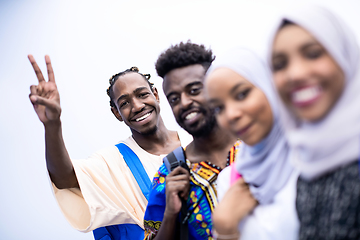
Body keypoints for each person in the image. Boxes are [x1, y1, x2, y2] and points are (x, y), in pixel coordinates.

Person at [28, 56, 192, 240]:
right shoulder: (113, 161)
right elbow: (65, 178)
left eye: (142, 94)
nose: (137, 106)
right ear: (116, 113)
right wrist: (52, 124)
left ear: (155, 94)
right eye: (124, 103)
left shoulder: (194, 141)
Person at [270, 5, 360, 239]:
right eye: (280, 65)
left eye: (313, 53)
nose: (295, 74)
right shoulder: (306, 166)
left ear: (346, 55)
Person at [143, 42, 239, 240]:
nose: (184, 102)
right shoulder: (169, 173)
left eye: (194, 90)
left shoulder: (255, 143)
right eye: (174, 99)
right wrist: (171, 213)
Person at [205, 47, 298, 240]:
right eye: (219, 108)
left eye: (241, 94)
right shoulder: (230, 179)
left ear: (270, 87)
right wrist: (225, 229)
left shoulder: (318, 158)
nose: (231, 115)